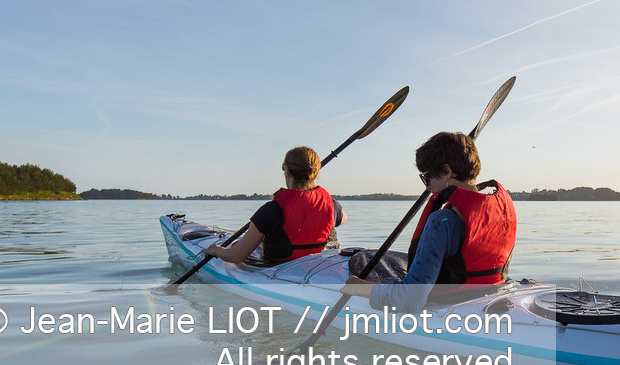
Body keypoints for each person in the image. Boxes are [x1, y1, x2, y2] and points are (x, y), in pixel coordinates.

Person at [341, 131, 515, 312]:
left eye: (426, 176)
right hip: (489, 297)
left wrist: (362, 288)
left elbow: (410, 299)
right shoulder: (502, 209)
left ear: (446, 171)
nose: (427, 185)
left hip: (449, 306)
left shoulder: (442, 222)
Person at [205, 146, 346, 266]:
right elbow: (343, 218)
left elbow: (236, 256)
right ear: (315, 173)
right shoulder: (332, 205)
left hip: (280, 269)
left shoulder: (271, 211)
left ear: (286, 171)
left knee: (242, 245)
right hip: (320, 267)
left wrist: (215, 250)